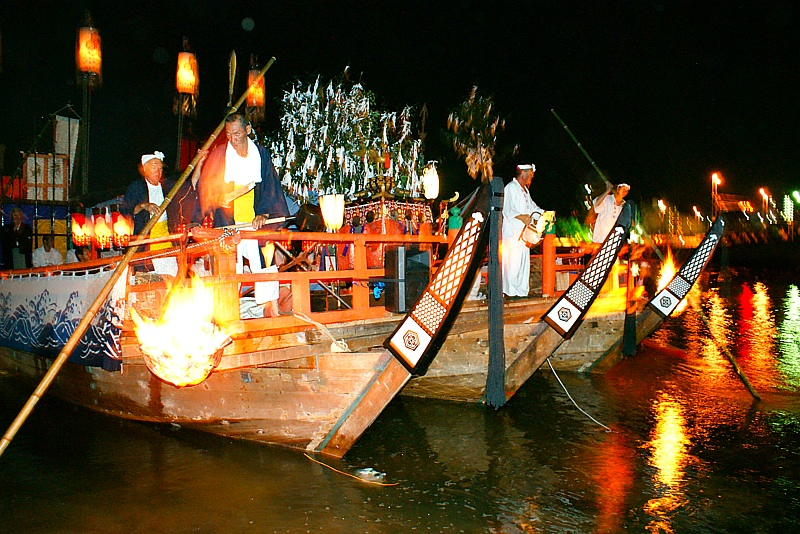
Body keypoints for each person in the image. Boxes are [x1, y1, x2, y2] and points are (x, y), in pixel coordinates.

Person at [195, 113, 290, 317]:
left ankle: (272, 308)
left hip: (255, 221)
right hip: (230, 222)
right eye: (229, 135)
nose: (233, 139)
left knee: (265, 262)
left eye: (237, 133)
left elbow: (270, 186)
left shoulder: (261, 154)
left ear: (247, 130)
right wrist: (216, 197)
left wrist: (264, 212)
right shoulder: (220, 154)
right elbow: (205, 185)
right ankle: (227, 313)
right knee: (230, 266)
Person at [502, 164, 547, 298]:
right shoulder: (510, 188)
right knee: (512, 265)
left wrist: (544, 213)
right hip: (512, 234)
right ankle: (509, 293)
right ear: (523, 173)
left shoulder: (525, 191)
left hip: (524, 235)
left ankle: (521, 293)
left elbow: (533, 207)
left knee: (522, 265)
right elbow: (507, 209)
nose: (531, 178)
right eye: (530, 175)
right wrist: (522, 217)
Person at [121, 151, 176, 251]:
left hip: (166, 236)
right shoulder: (137, 187)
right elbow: (126, 210)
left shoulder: (167, 186)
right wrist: (143, 206)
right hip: (146, 239)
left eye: (160, 168)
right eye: (154, 167)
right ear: (145, 169)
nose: (158, 171)